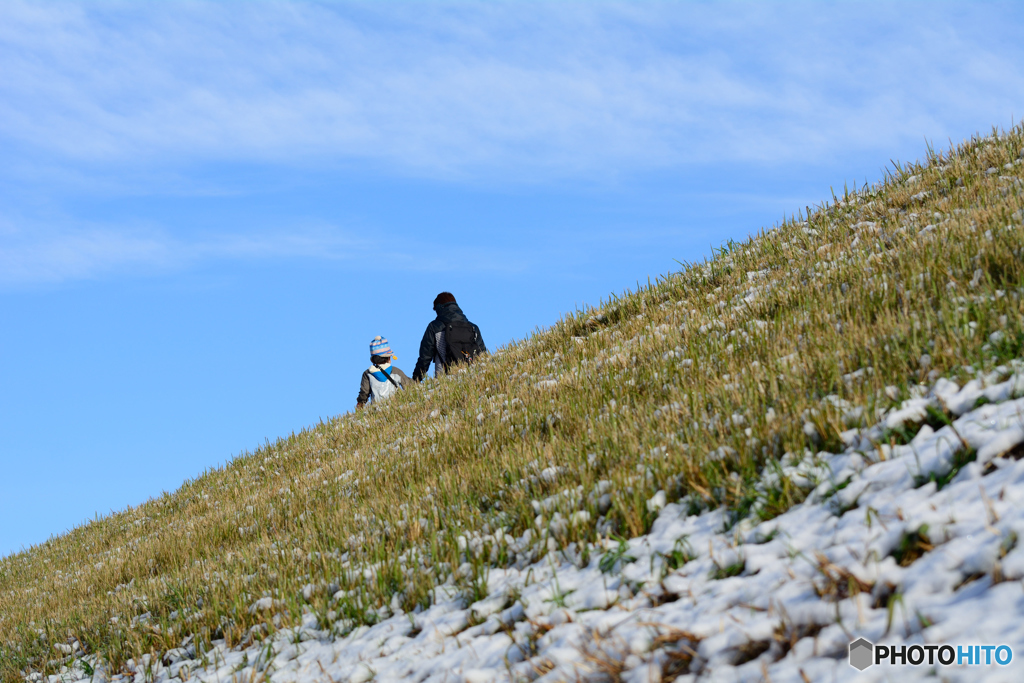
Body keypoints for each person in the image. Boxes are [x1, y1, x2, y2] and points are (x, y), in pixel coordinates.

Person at [412, 292, 487, 381]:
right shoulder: (473, 327)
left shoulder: (434, 327)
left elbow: (425, 358)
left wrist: (416, 379)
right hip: (472, 379)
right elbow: (483, 356)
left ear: (439, 307)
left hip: (445, 380)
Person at [356, 336, 413, 408]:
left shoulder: (367, 374)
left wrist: (360, 405)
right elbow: (409, 386)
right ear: (389, 358)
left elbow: (364, 393)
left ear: (372, 360)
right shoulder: (396, 371)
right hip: (395, 407)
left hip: (377, 410)